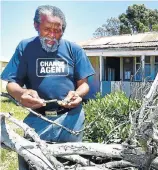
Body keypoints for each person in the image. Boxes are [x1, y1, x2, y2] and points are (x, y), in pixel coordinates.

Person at [1, 5, 95, 169]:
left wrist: (78, 94)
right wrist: (22, 93)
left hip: (71, 119)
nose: (52, 35)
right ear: (36, 26)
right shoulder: (25, 48)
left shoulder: (75, 50)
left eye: (57, 31)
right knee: (32, 163)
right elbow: (11, 84)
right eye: (47, 29)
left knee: (71, 163)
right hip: (38, 118)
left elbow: (84, 85)